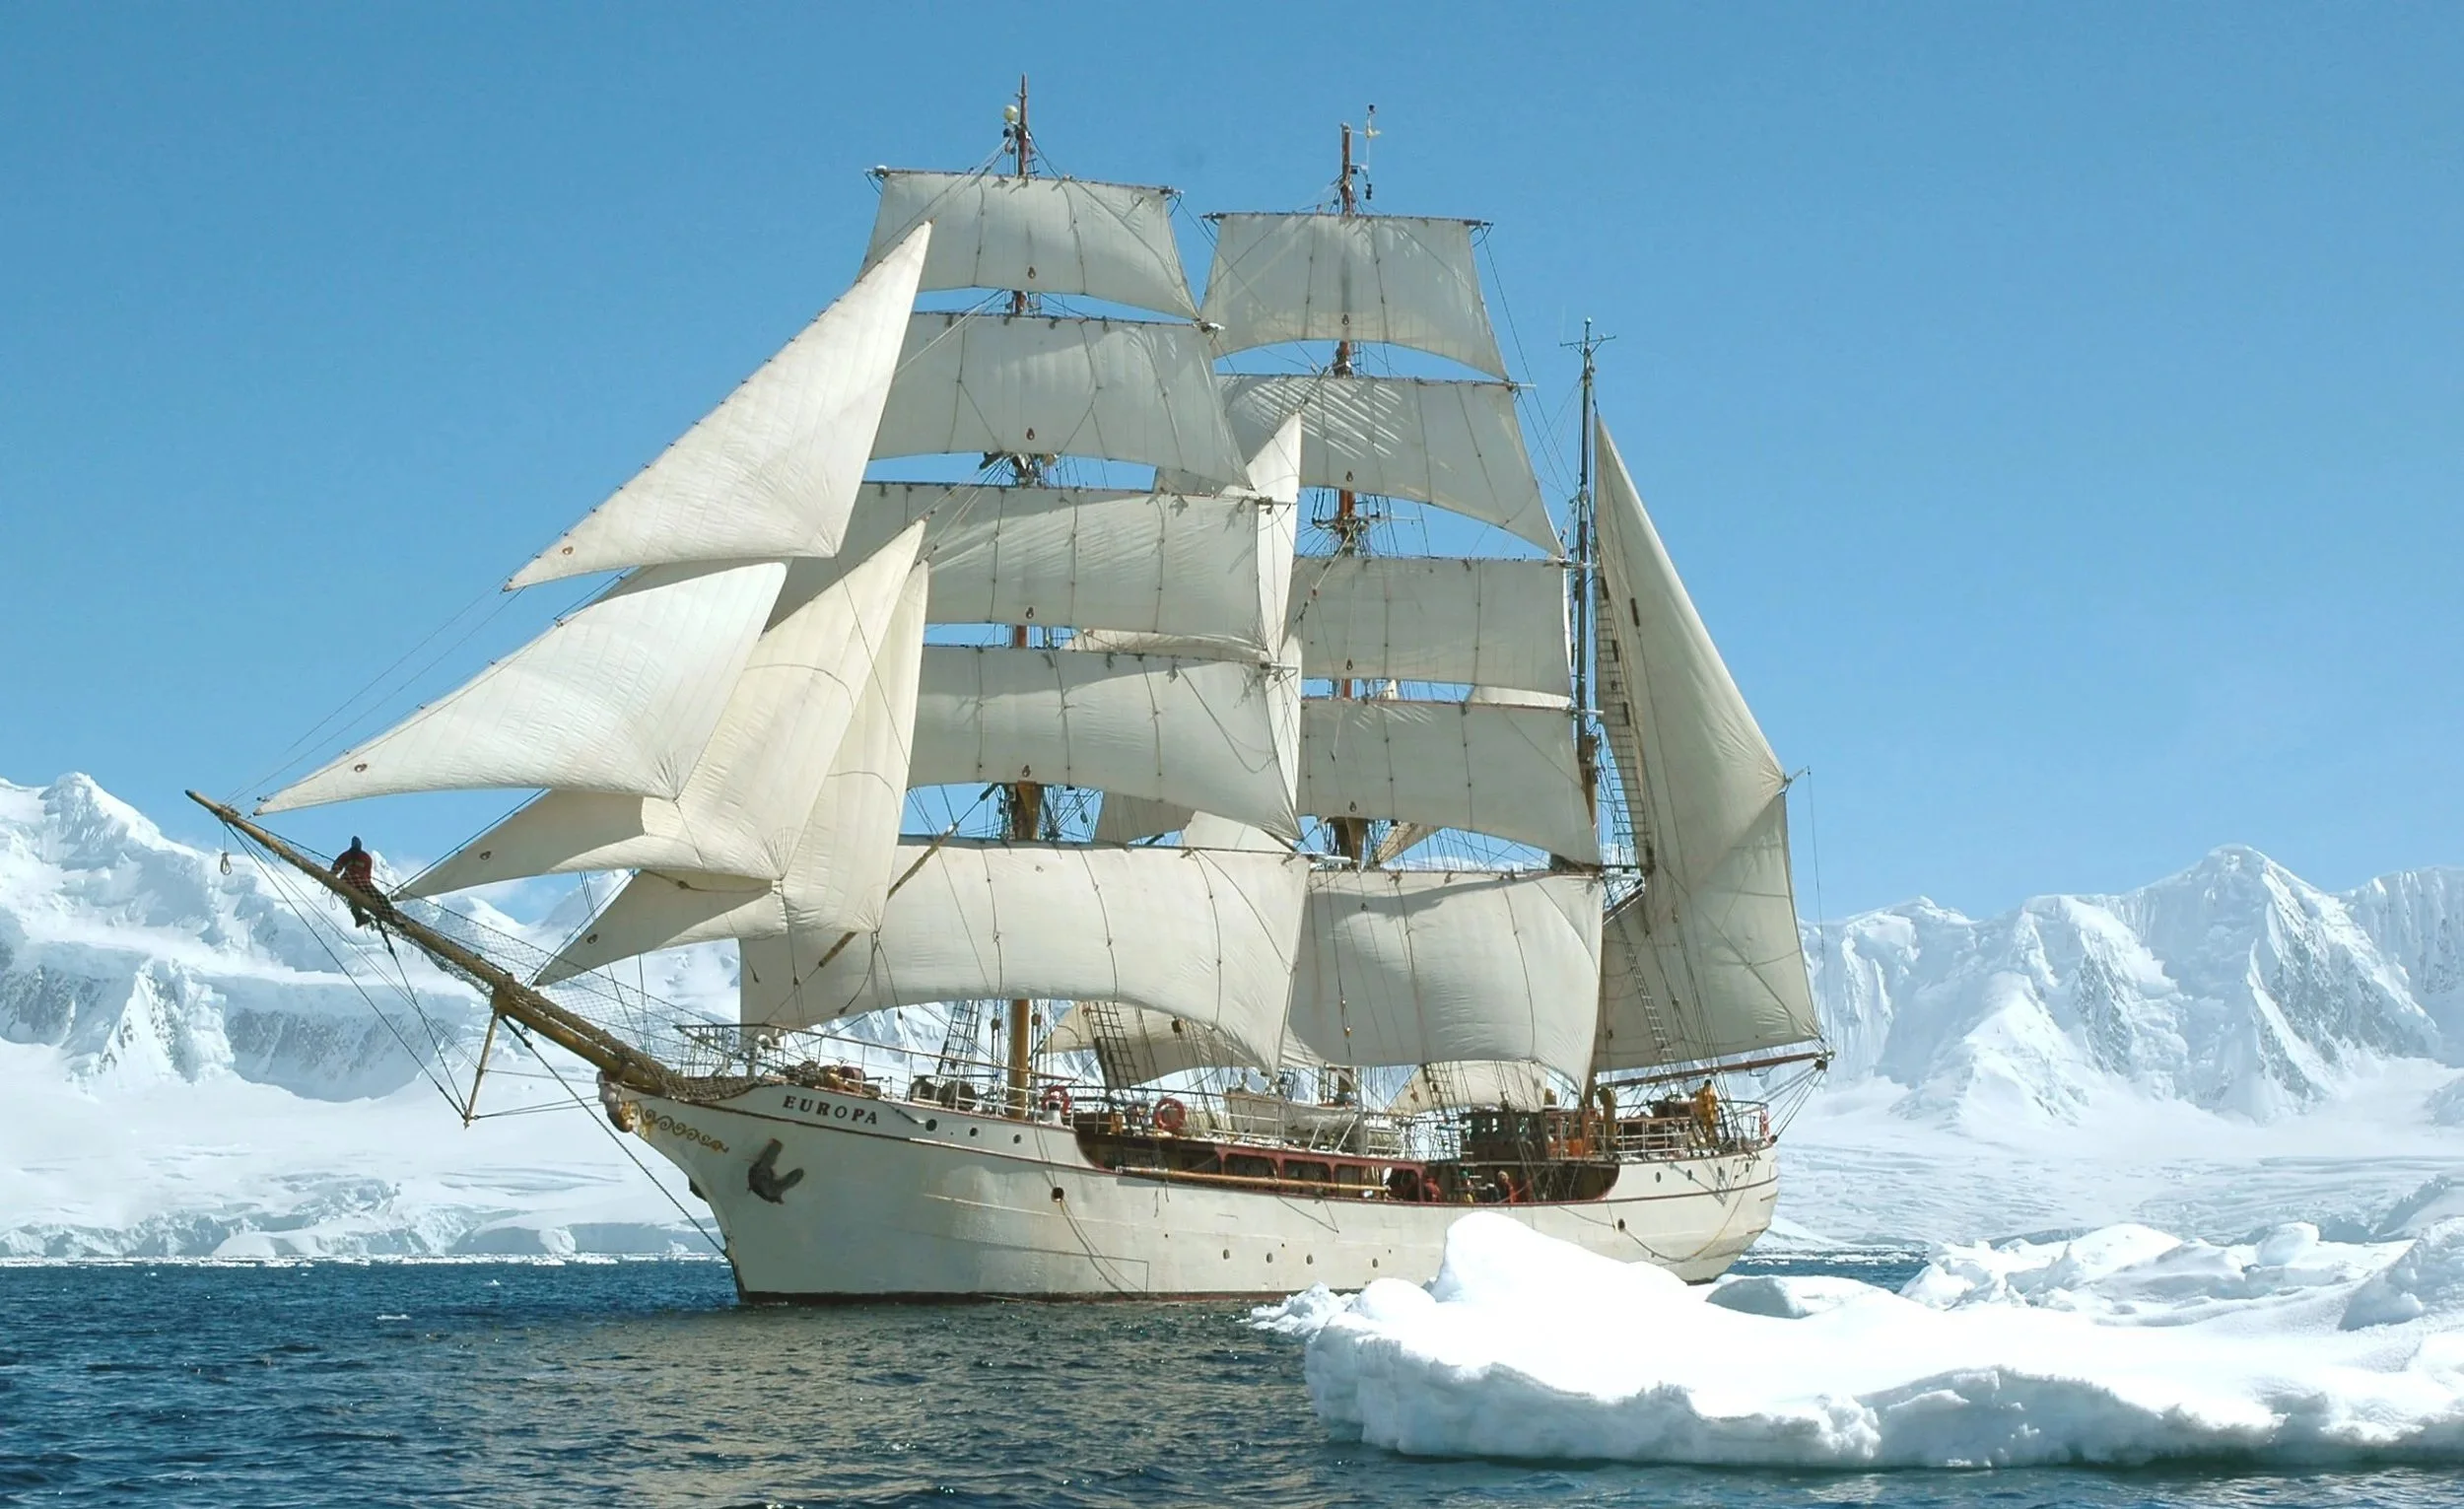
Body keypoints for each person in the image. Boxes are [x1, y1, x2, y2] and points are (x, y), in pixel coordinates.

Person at [330, 837, 379, 926]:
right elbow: (337, 866)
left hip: (358, 883)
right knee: (354, 899)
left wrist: (333, 874)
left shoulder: (365, 857)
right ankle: (359, 917)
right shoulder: (348, 855)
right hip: (350, 882)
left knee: (355, 899)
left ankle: (360, 917)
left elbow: (367, 875)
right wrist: (333, 874)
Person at [1692, 1079, 1721, 1145]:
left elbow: (1714, 1100)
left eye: (1708, 1085)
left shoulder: (1711, 1091)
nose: (1707, 1086)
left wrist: (1714, 1107)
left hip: (1709, 1111)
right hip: (1704, 1111)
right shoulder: (1702, 1091)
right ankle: (1708, 1140)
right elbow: (1700, 1099)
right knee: (1705, 1125)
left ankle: (1712, 1140)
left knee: (1710, 1125)